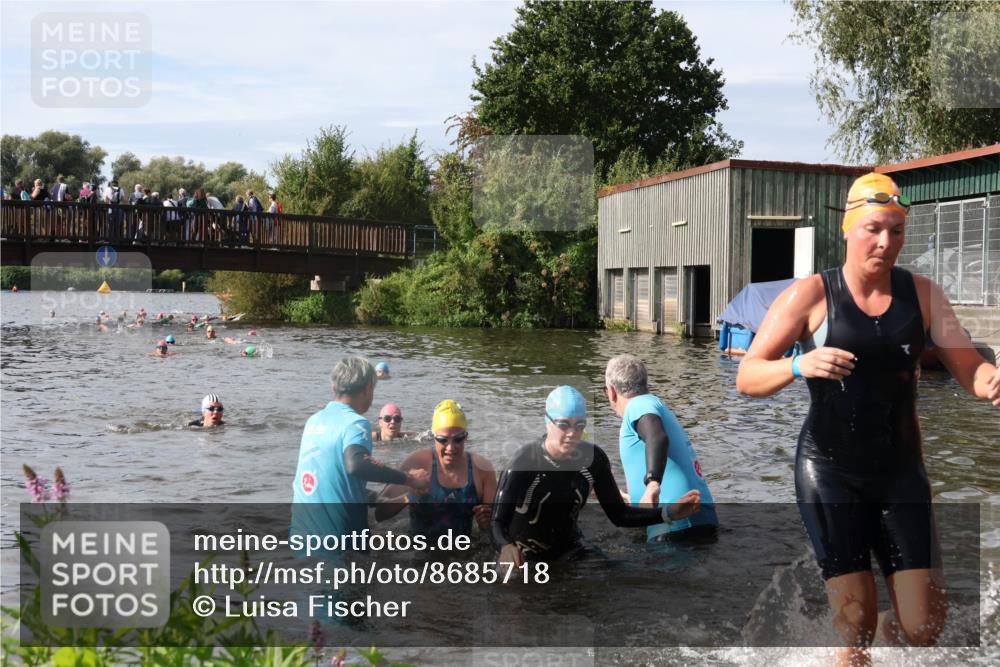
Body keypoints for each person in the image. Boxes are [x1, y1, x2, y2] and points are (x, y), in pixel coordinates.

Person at [735, 172, 1000, 666]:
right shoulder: (809, 296)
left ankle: (886, 636)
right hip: (831, 473)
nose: (886, 242)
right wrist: (798, 364)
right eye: (874, 228)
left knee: (926, 627)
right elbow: (747, 375)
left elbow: (970, 366)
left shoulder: (923, 296)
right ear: (849, 229)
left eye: (896, 231)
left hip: (900, 473)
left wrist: (992, 381)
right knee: (854, 626)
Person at [491, 386, 702, 565]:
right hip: (524, 554)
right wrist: (505, 546)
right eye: (563, 425)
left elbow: (619, 515)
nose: (572, 433)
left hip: (571, 549)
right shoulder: (523, 462)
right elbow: (497, 522)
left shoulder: (593, 460)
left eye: (579, 425)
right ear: (548, 422)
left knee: (621, 578)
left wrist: (669, 513)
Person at [290, 356, 430, 542]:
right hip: (338, 540)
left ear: (334, 388)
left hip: (301, 532)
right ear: (368, 389)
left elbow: (328, 476)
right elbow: (356, 464)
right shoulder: (356, 423)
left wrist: (372, 497)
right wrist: (411, 479)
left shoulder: (313, 421)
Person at [604, 354, 719, 541]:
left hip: (676, 522)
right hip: (701, 516)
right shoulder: (655, 405)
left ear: (611, 391)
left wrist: (651, 485)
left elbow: (657, 437)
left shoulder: (638, 405)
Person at [375, 400, 496, 539]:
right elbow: (379, 513)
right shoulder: (417, 462)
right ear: (433, 438)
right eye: (443, 440)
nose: (450, 447)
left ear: (466, 437)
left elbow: (495, 531)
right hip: (419, 553)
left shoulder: (482, 470)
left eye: (458, 439)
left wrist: (486, 525)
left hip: (463, 554)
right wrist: (409, 496)